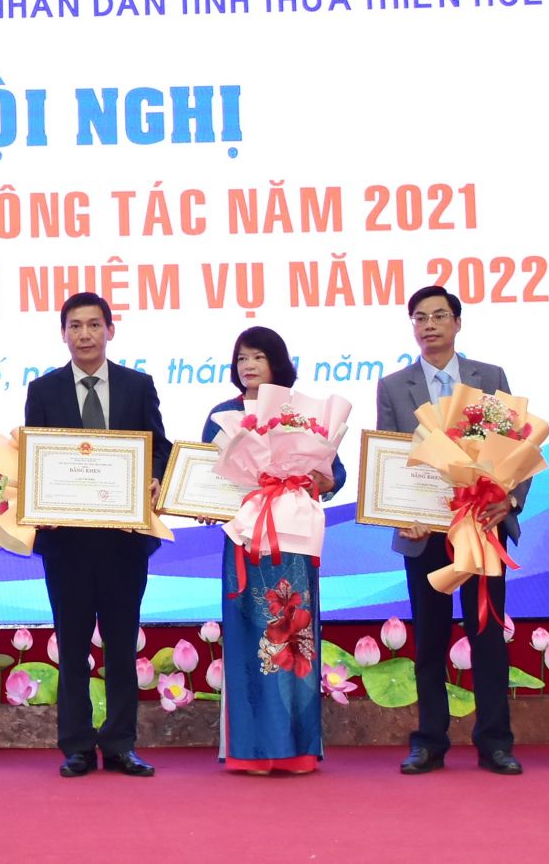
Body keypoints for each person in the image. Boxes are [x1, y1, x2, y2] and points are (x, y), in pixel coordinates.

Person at [376, 285, 526, 776]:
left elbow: (518, 447)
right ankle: (430, 742)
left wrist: (509, 500)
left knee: (487, 636)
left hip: (480, 526)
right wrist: (399, 513)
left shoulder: (490, 377)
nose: (430, 325)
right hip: (424, 532)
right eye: (420, 318)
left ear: (457, 323)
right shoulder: (393, 386)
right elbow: (389, 457)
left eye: (439, 316)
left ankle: (495, 743)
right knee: (430, 639)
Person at [24, 292, 171, 777]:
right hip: (66, 543)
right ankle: (78, 746)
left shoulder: (137, 385)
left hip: (123, 541)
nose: (84, 334)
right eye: (75, 326)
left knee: (121, 645)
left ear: (110, 330)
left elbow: (159, 445)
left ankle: (121, 743)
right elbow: (35, 454)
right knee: (72, 646)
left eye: (93, 325)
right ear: (63, 334)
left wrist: (155, 475)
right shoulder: (43, 390)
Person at [201, 326, 344, 774]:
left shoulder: (301, 415)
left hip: (293, 543)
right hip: (244, 540)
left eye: (257, 357)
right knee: (247, 639)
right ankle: (251, 750)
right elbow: (203, 474)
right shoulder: (223, 416)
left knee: (295, 639)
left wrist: (314, 478)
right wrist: (199, 502)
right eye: (241, 357)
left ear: (276, 362)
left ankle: (297, 749)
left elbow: (334, 475)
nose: (248, 365)